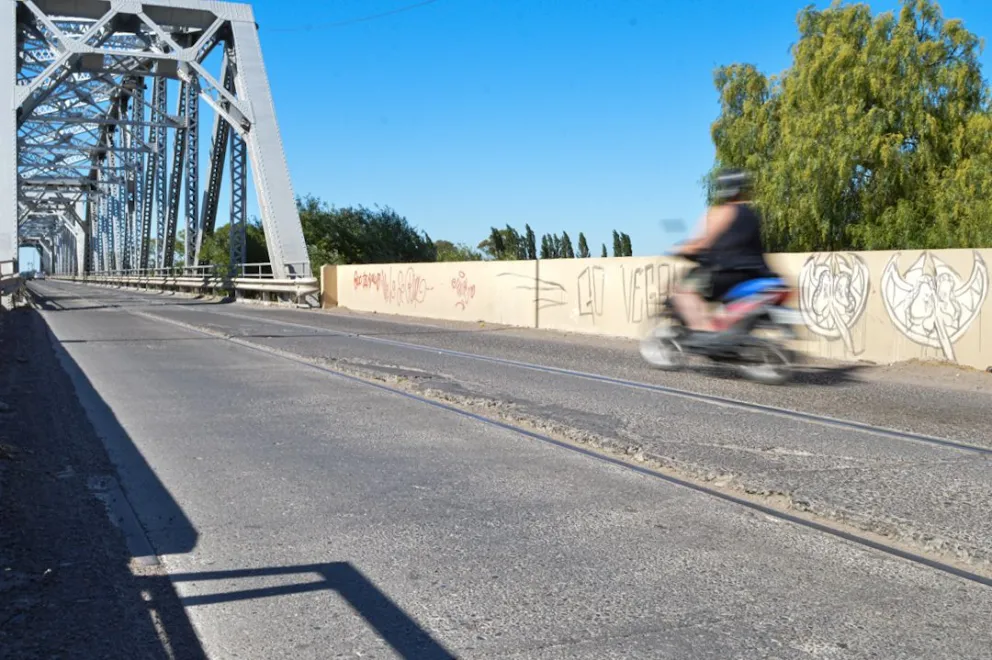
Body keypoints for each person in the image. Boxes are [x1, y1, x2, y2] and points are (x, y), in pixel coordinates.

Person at [672, 168, 776, 341]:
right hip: (755, 274)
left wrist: (681, 249)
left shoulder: (723, 212)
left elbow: (704, 242)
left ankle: (703, 332)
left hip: (726, 273)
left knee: (683, 291)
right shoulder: (752, 215)